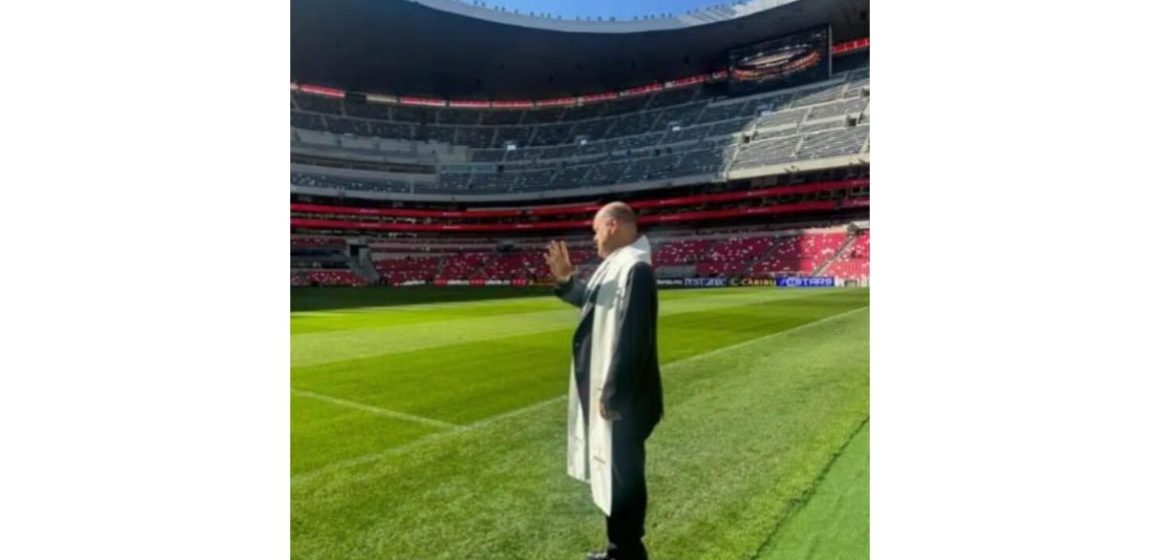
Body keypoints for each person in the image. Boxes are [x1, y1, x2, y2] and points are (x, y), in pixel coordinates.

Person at [544, 202, 664, 560]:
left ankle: (627, 552)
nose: (593, 236)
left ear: (612, 226)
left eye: (596, 229)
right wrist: (566, 280)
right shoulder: (618, 267)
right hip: (618, 398)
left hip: (625, 402)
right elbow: (593, 304)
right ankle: (618, 549)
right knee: (613, 475)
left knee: (624, 477)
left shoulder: (636, 270)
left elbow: (635, 336)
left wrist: (614, 395)